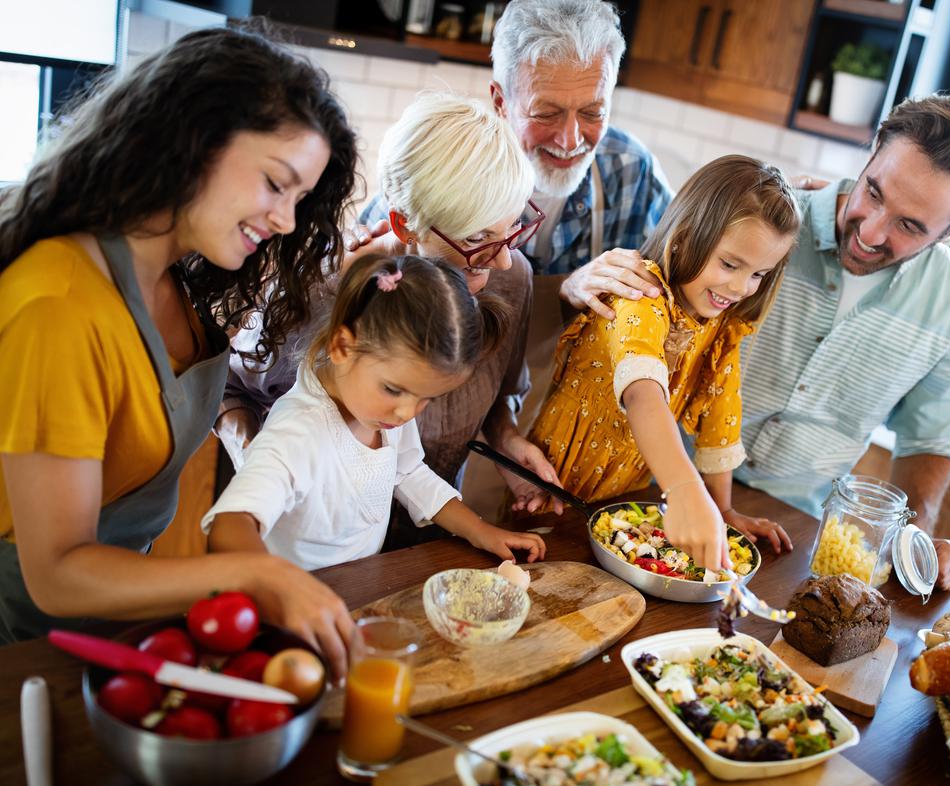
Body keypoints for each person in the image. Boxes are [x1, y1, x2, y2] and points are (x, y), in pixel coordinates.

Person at [0, 25, 360, 672]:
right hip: (23, 654)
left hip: (107, 632)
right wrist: (253, 576)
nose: (285, 220)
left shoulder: (175, 280)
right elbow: (55, 572)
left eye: (300, 200)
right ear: (193, 141)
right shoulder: (60, 304)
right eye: (276, 183)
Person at [218, 92, 566, 526]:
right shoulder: (319, 290)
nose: (503, 260)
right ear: (405, 223)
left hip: (432, 530)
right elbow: (232, 390)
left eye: (514, 227)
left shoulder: (512, 279)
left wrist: (508, 442)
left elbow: (498, 395)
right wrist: (258, 466)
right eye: (476, 239)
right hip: (312, 536)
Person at [736, 94, 950, 592]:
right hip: (669, 483)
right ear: (872, 151)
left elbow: (927, 441)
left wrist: (916, 544)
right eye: (875, 192)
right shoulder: (760, 221)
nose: (870, 230)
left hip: (790, 536)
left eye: (909, 225)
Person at [527, 156, 798, 571]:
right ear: (687, 238)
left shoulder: (720, 327)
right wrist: (687, 490)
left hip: (619, 505)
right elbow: (641, 394)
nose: (741, 287)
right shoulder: (641, 295)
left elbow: (720, 421)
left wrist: (722, 510)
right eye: (729, 264)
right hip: (545, 496)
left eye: (760, 274)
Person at [203, 255, 547, 569]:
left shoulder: (382, 411)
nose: (406, 412)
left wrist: (479, 531)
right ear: (342, 346)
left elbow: (408, 471)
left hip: (360, 584)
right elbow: (231, 525)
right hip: (296, 599)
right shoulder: (298, 432)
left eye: (426, 398)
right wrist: (280, 585)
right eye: (394, 389)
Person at [351, 0, 673, 317]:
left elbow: (692, 284)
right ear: (500, 101)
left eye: (593, 112)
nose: (571, 139)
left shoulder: (632, 170)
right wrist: (353, 247)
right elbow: (366, 261)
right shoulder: (448, 164)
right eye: (546, 114)